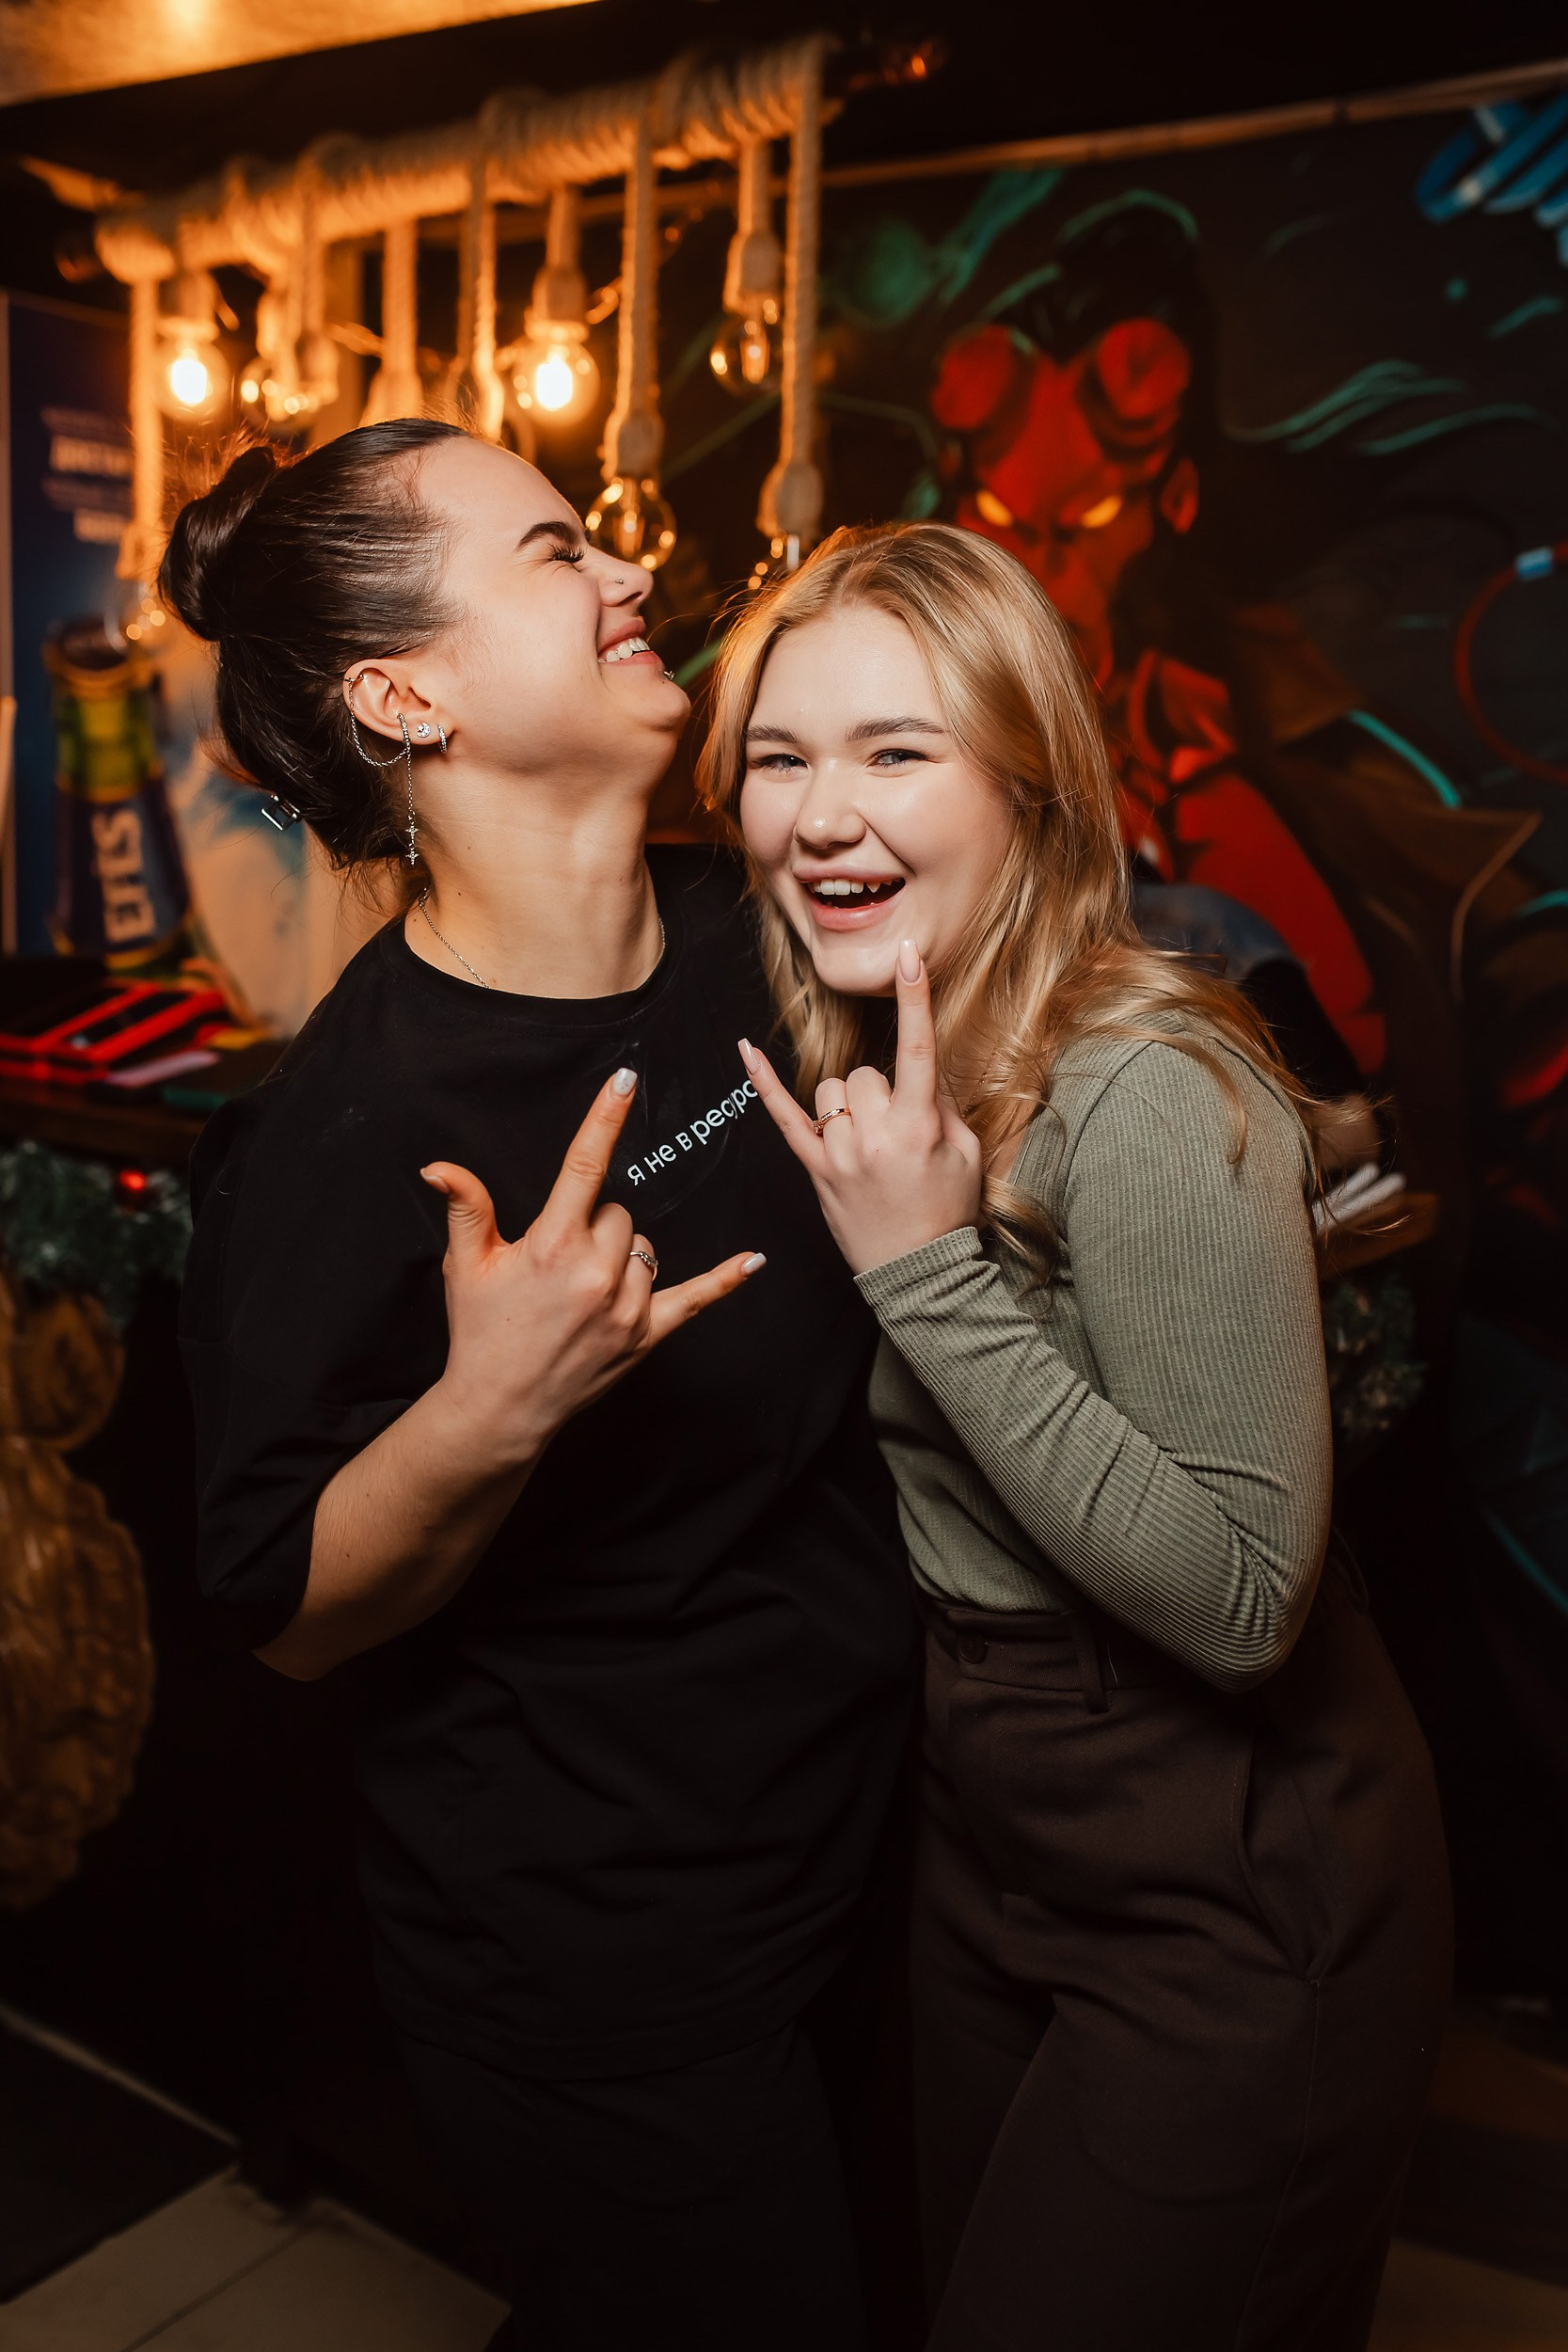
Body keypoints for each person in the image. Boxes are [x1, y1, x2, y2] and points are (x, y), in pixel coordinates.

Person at [166, 422, 917, 2352]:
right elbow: (281, 1609)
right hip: (602, 1954)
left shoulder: (770, 939)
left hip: (873, 1847)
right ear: (404, 697)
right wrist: (483, 1412)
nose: (627, 573)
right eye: (554, 549)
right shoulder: (349, 1130)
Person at [697, 519, 1453, 2351]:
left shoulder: (1149, 1080)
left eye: (896, 750)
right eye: (781, 757)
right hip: (992, 1827)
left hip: (1228, 1870)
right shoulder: (872, 1052)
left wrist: (931, 1274)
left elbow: (1246, 1599)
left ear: (1028, 779)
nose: (820, 815)